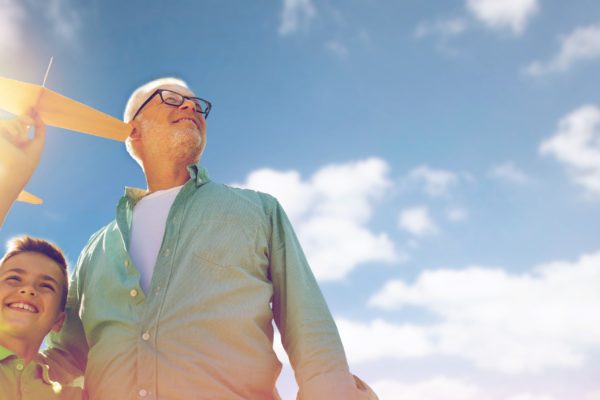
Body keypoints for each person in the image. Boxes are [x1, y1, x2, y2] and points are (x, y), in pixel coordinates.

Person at [47, 78, 378, 399]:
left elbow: (310, 330)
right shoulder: (94, 250)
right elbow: (63, 359)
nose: (191, 105)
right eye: (171, 98)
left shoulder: (259, 210)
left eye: (197, 104)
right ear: (133, 130)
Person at [0, 114, 81, 399]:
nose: (27, 289)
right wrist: (10, 180)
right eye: (13, 278)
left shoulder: (68, 388)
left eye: (46, 285)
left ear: (58, 321)